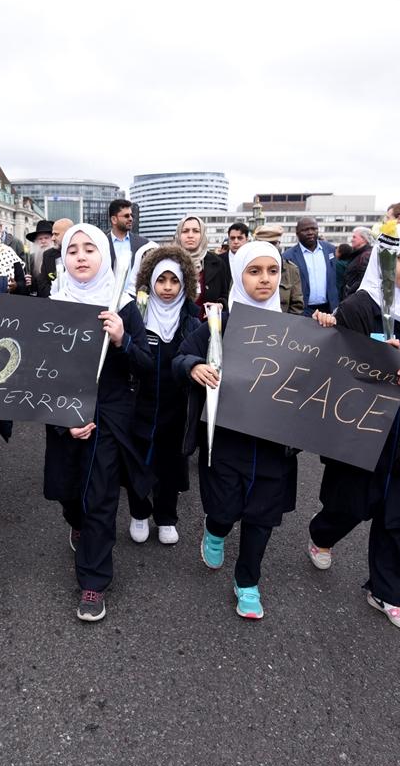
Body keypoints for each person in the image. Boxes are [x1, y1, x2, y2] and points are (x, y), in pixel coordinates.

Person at [308, 224, 400, 631]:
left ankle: (388, 592)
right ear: (382, 261)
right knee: (348, 506)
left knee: (399, 517)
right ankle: (321, 534)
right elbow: (332, 365)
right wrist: (337, 338)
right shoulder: (357, 308)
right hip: (359, 430)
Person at [174, 241, 298, 620]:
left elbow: (320, 372)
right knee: (224, 509)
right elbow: (181, 356)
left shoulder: (296, 330)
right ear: (238, 275)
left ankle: (248, 581)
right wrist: (194, 366)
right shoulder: (220, 324)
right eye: (254, 271)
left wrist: (329, 328)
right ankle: (215, 531)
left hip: (274, 446)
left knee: (261, 518)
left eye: (272, 271)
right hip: (227, 441)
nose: (265, 279)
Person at [44, 223, 152, 622]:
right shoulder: (53, 304)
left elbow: (145, 365)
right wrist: (63, 420)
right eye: (73, 250)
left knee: (101, 497)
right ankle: (76, 522)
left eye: (90, 248)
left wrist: (124, 340)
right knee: (69, 492)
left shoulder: (122, 304)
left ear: (104, 255)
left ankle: (93, 581)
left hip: (108, 415)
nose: (81, 256)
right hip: (64, 414)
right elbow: (37, 372)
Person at [125, 245, 201, 546]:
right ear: (149, 281)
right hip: (140, 406)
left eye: (174, 281)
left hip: (176, 409)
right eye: (161, 280)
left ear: (185, 283)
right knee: (139, 461)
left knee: (170, 466)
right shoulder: (138, 317)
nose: (167, 288)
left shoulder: (192, 322)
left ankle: (167, 517)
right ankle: (139, 512)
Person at [281, 217, 339, 315]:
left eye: (314, 229)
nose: (310, 232)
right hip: (303, 310)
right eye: (305, 230)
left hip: (330, 308)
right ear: (297, 233)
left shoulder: (330, 249)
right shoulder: (288, 256)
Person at [252, 224, 305, 314]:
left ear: (279, 244)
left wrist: (285, 322)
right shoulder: (245, 268)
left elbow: (296, 306)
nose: (269, 248)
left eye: (273, 244)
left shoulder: (291, 270)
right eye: (265, 244)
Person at [106, 198, 149, 273]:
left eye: (131, 215)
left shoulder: (143, 244)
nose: (131, 219)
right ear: (114, 219)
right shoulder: (102, 244)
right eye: (126, 216)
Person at [39, 218, 75, 296]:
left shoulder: (81, 256)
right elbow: (43, 285)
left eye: (56, 234)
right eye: (52, 234)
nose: (52, 238)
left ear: (69, 234)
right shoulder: (47, 255)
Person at [342, 227, 376, 300]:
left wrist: (349, 293)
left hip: (354, 298)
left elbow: (362, 280)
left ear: (364, 239)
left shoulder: (366, 255)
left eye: (354, 237)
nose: (352, 240)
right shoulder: (359, 254)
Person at [26, 219, 56, 297]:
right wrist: (27, 282)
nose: (43, 241)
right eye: (40, 239)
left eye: (46, 238)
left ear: (52, 238)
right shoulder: (31, 259)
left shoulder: (58, 258)